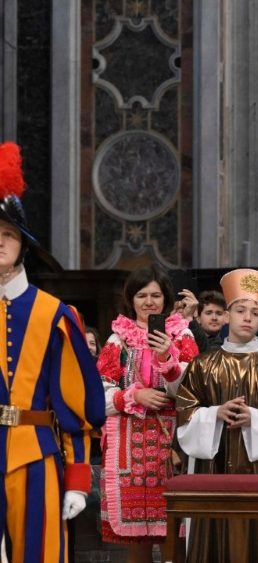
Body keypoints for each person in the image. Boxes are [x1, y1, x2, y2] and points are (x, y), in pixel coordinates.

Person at [0, 142, 105, 562]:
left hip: (37, 454)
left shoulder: (55, 315)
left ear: (23, 245)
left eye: (7, 235)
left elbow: (76, 408)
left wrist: (78, 477)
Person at [175, 269, 258, 563]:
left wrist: (255, 419)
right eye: (240, 310)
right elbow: (185, 411)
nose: (247, 317)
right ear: (227, 315)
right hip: (213, 468)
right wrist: (215, 414)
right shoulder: (203, 364)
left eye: (254, 313)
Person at [97, 265, 198, 559]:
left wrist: (167, 358)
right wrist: (134, 395)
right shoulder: (118, 341)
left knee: (176, 536)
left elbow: (194, 392)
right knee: (137, 540)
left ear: (166, 300)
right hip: (130, 446)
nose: (149, 302)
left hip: (173, 444)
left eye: (155, 295)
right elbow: (97, 396)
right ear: (131, 299)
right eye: (142, 295)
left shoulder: (182, 337)